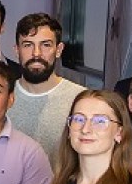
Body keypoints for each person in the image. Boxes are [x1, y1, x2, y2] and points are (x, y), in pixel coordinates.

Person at [10, 14, 85, 159]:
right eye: (28, 45)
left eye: (46, 45)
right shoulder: (0, 98)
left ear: (59, 49)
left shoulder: (80, 99)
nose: (36, 53)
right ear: (16, 50)